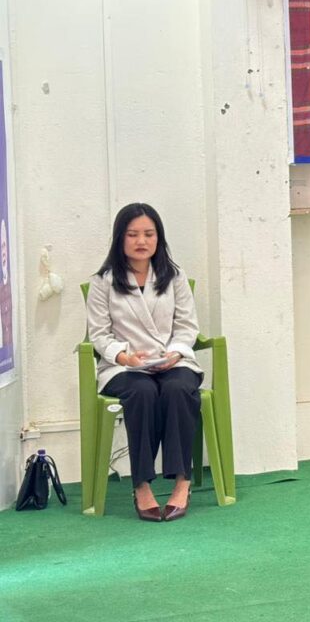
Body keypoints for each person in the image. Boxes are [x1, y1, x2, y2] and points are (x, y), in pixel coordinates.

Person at [86, 203, 202, 522]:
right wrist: (125, 356)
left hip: (172, 360)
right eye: (133, 234)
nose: (141, 241)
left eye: (149, 234)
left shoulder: (174, 277)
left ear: (158, 238)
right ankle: (141, 485)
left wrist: (175, 354)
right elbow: (99, 334)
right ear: (120, 238)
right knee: (143, 391)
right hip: (124, 366)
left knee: (178, 389)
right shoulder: (103, 282)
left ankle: (182, 482)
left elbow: (187, 326)